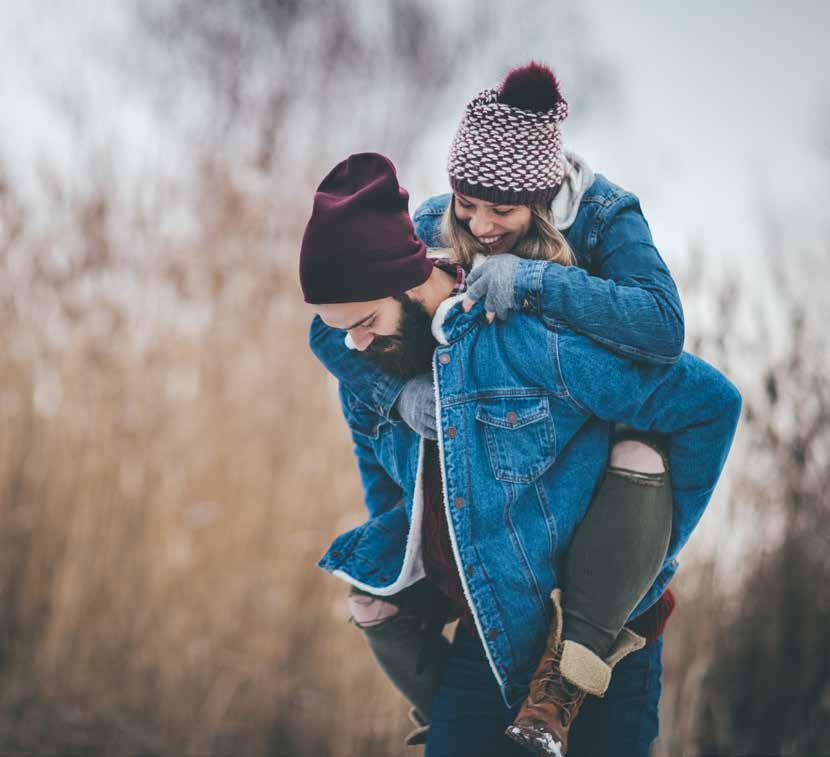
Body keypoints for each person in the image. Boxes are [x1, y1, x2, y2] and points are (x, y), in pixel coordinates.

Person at [308, 63, 693, 755]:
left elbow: (664, 327)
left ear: (544, 201)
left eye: (502, 211)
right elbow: (329, 326)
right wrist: (399, 389)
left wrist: (535, 282)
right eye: (466, 203)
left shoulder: (606, 219)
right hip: (495, 598)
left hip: (605, 600)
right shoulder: (434, 226)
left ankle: (569, 670)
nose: (481, 226)